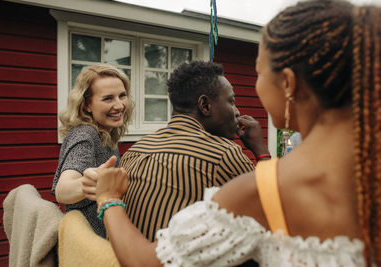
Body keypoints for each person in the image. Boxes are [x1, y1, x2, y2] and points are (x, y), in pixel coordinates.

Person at [93, 0, 380, 265]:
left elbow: (149, 261)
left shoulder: (261, 190)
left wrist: (107, 199)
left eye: (259, 72)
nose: (240, 103)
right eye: (231, 100)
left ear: (289, 84)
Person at [116, 60, 270, 242]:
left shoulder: (134, 151)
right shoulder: (222, 154)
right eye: (231, 101)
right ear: (205, 106)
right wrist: (261, 150)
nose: (237, 112)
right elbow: (273, 210)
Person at [51, 63, 133, 237]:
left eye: (122, 95)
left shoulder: (106, 133)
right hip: (87, 245)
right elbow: (62, 190)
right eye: (108, 98)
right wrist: (85, 185)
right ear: (86, 104)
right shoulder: (85, 134)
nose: (119, 105)